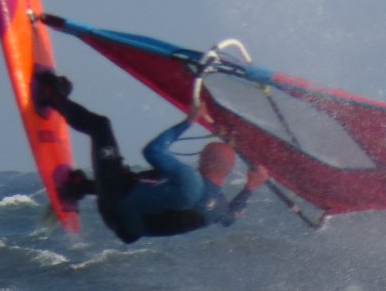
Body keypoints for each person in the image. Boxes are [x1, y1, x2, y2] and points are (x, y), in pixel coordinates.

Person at [32, 69, 266, 244]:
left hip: (114, 201)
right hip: (125, 229)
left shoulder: (190, 180)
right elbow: (231, 218)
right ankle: (80, 187)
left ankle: (52, 96)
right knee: (153, 180)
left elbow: (152, 151)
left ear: (204, 159)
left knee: (101, 126)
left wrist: (189, 121)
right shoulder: (219, 207)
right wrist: (250, 187)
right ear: (226, 173)